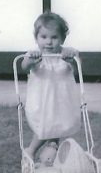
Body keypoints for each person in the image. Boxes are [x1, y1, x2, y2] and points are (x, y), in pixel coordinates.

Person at [21, 12, 81, 161]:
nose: (48, 42)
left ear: (62, 38)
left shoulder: (67, 54)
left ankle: (52, 148)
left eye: (54, 38)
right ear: (37, 38)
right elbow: (24, 66)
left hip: (62, 99)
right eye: (44, 37)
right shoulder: (35, 55)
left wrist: (72, 60)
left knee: (59, 123)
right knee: (45, 125)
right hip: (42, 100)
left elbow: (78, 69)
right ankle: (33, 149)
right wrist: (30, 61)